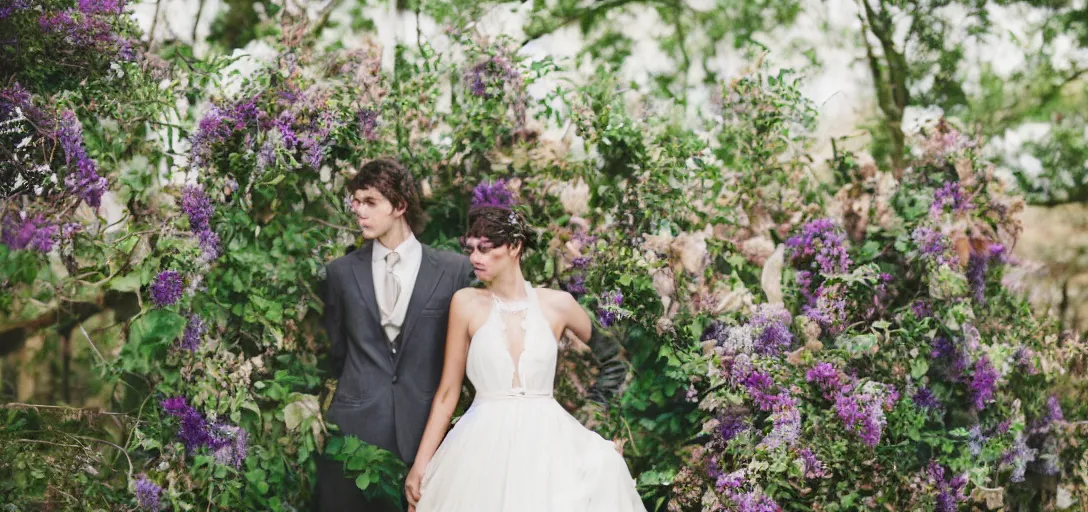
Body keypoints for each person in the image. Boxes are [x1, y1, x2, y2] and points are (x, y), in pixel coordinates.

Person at [404, 204, 647, 512]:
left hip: (548, 447)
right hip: (480, 450)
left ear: (515, 247)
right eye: (471, 248)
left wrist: (592, 418)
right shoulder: (465, 304)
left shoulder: (558, 305)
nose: (475, 258)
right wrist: (421, 464)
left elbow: (614, 360)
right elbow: (447, 392)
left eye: (486, 248)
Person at [315, 158, 474, 512]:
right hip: (351, 437)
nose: (359, 211)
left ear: (400, 205)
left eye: (370, 202)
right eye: (356, 202)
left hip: (424, 440)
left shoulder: (454, 271)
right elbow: (335, 353)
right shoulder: (339, 274)